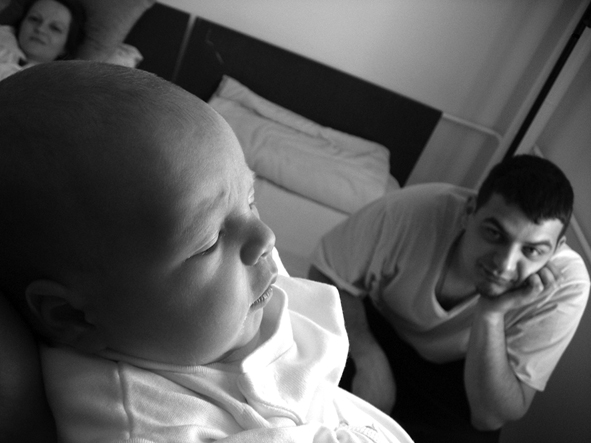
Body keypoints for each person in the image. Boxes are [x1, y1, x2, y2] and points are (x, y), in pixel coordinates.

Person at [0, 61, 413, 443]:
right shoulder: (146, 426)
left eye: (251, 200)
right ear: (72, 316)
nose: (265, 237)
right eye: (210, 241)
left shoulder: (212, 314)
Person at [308, 154, 590, 443]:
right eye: (494, 234)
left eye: (532, 251)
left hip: (466, 372)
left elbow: (489, 417)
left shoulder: (567, 286)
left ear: (556, 248)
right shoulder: (410, 211)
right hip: (378, 328)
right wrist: (368, 355)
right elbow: (325, 273)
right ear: (469, 212)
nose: (505, 265)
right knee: (307, 403)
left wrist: (490, 315)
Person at [0, 0, 85, 80]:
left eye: (55, 28)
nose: (40, 29)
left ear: (66, 46)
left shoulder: (60, 84)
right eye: (34, 19)